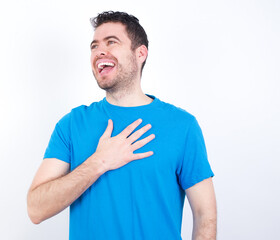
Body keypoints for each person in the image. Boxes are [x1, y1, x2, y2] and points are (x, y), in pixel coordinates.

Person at [27, 11, 217, 240]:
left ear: (140, 54)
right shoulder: (72, 124)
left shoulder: (182, 126)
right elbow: (36, 209)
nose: (99, 52)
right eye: (94, 46)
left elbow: (204, 214)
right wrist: (99, 161)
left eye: (111, 42)